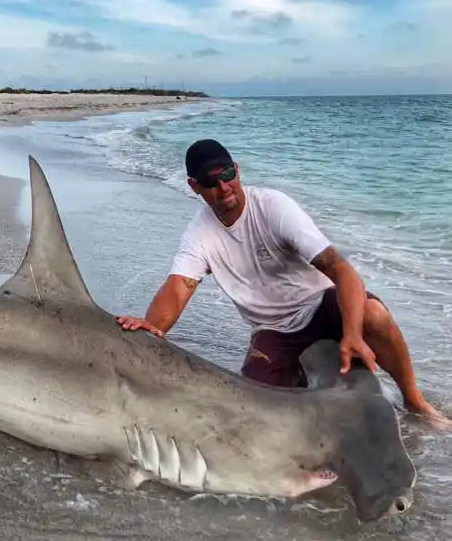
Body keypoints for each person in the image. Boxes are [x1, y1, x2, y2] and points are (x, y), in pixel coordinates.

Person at [116, 138, 447, 423]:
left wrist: (351, 334)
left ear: (237, 169)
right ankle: (306, 379)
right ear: (193, 186)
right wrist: (150, 327)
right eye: (210, 181)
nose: (223, 188)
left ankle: (414, 400)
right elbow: (178, 287)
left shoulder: (274, 207)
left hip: (321, 305)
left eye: (227, 175)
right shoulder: (200, 234)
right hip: (274, 330)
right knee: (257, 408)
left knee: (374, 315)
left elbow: (343, 271)